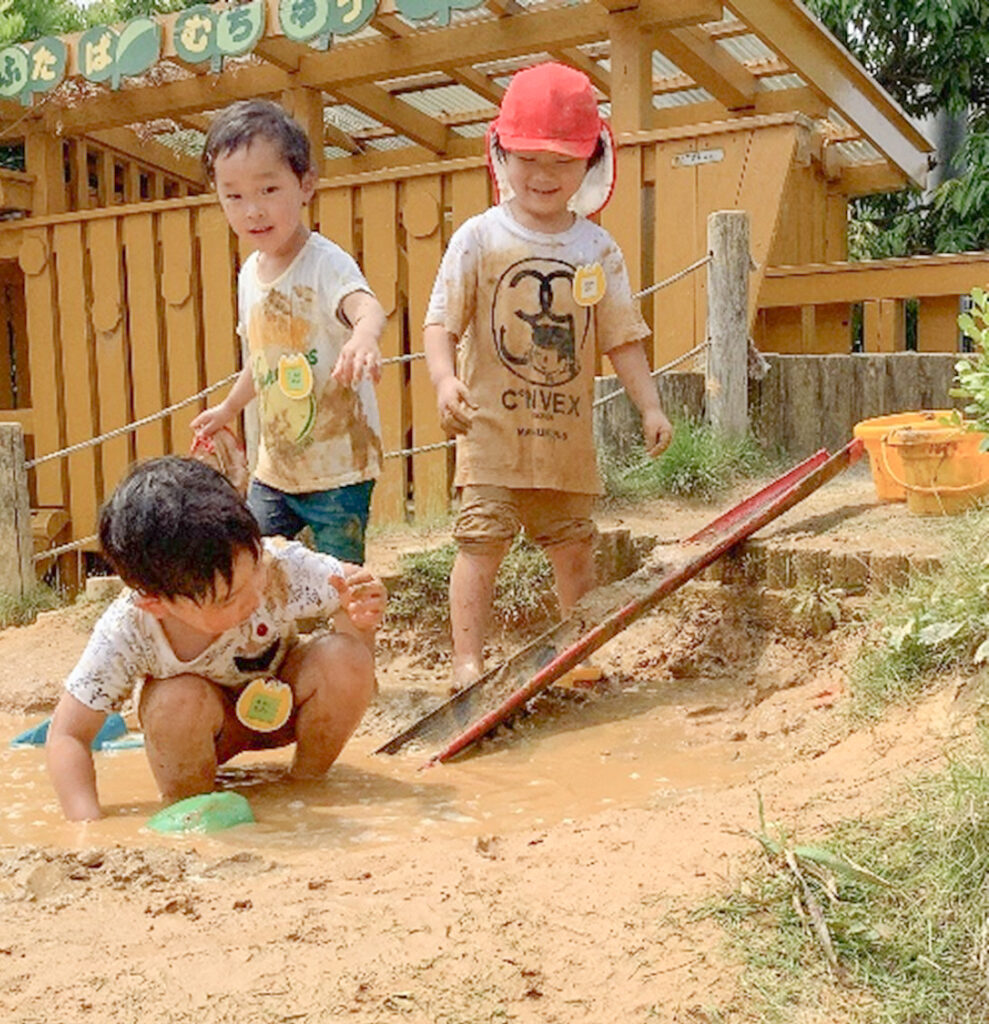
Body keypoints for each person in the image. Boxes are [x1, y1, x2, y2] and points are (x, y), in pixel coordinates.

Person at [423, 61, 674, 688]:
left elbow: (622, 338)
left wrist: (651, 407)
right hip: (490, 431)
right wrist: (444, 380)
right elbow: (440, 322)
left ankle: (575, 651)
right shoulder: (478, 238)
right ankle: (466, 661)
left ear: (590, 163)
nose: (542, 175)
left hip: (565, 438)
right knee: (480, 542)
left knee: (574, 546)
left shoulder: (597, 249)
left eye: (561, 161)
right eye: (528, 158)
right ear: (500, 153)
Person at [46, 457, 386, 822]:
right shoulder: (129, 630)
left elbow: (356, 646)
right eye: (228, 598)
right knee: (174, 699)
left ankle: (306, 783)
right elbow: (68, 735)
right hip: (207, 730)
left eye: (255, 567)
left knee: (344, 657)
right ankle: (192, 808)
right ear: (156, 603)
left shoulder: (279, 568)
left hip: (286, 708)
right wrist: (86, 825)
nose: (254, 594)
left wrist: (361, 615)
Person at [191, 99, 386, 564]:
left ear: (306, 185)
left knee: (342, 580)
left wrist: (362, 337)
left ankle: (351, 639)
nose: (252, 210)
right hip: (275, 471)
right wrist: (227, 408)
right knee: (249, 565)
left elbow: (368, 307)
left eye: (268, 189)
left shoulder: (325, 263)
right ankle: (275, 640)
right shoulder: (249, 276)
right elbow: (262, 363)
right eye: (233, 196)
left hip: (340, 467)